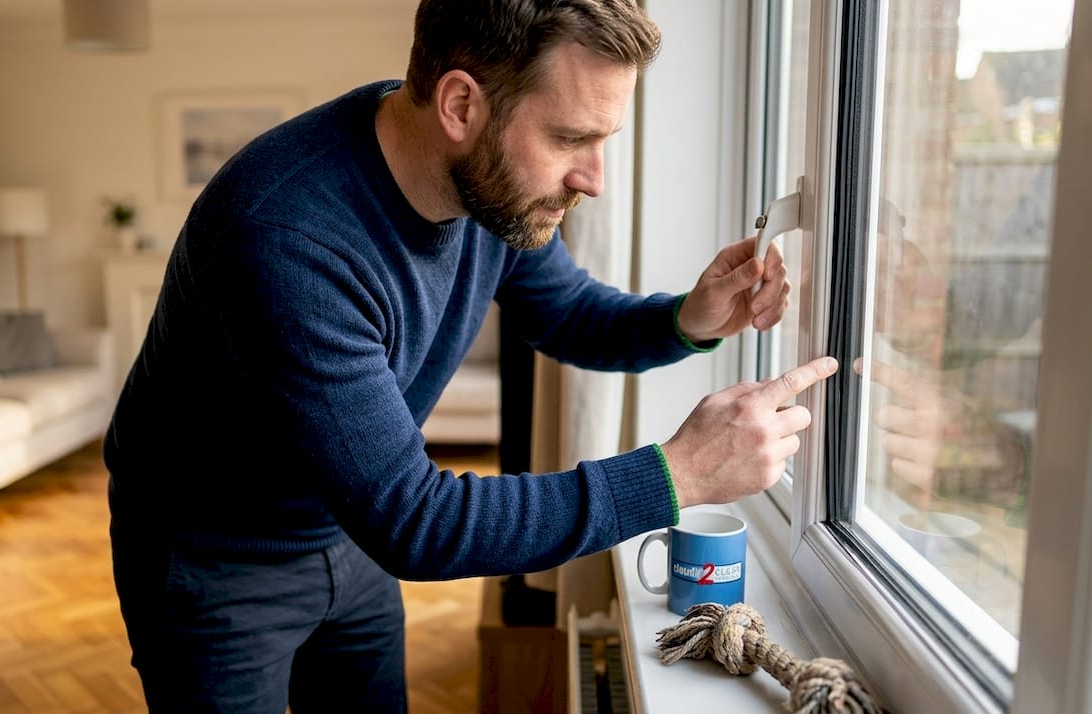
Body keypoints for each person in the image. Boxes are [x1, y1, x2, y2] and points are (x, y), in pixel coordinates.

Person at [102, 0, 838, 711]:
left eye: (603, 141)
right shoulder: (285, 236)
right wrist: (681, 473)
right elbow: (414, 520)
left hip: (344, 528)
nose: (593, 179)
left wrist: (693, 317)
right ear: (460, 105)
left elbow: (571, 314)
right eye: (569, 138)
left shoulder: (487, 189)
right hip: (211, 558)